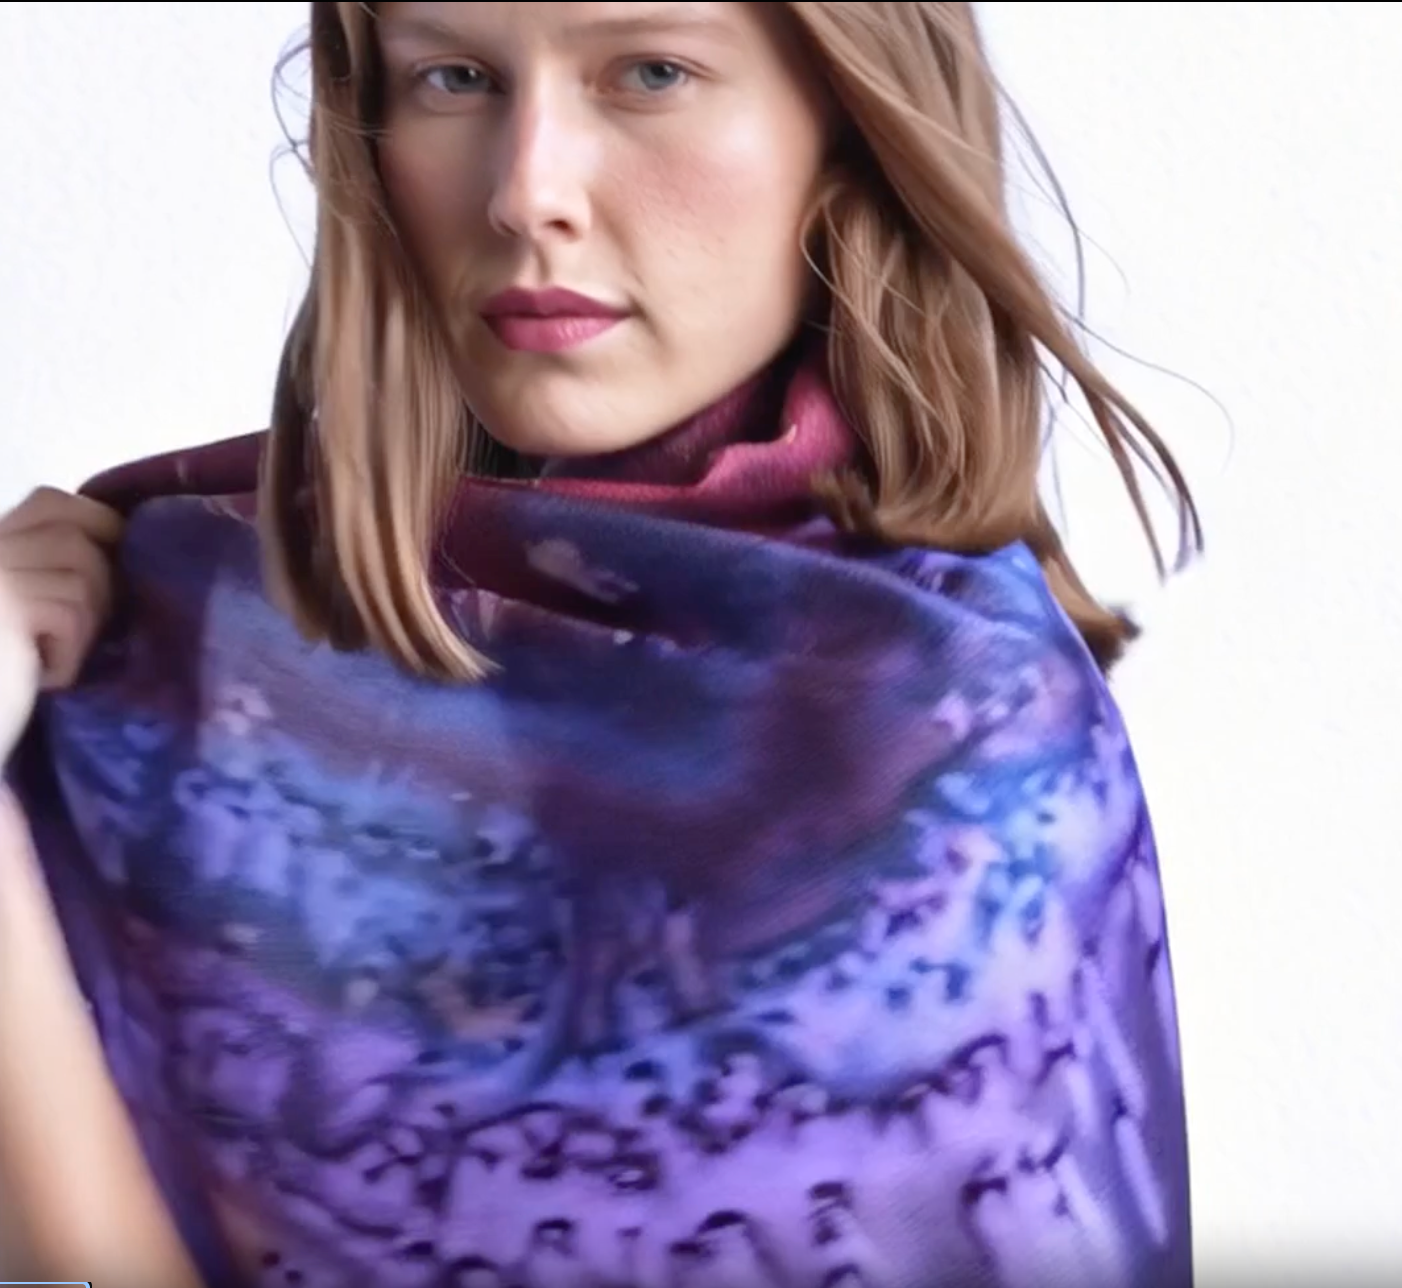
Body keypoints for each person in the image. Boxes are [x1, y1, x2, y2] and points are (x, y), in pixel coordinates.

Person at [0, 3, 1199, 1286]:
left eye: (651, 73)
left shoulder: (963, 744)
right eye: (452, 77)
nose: (528, 192)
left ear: (847, 129)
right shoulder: (171, 640)